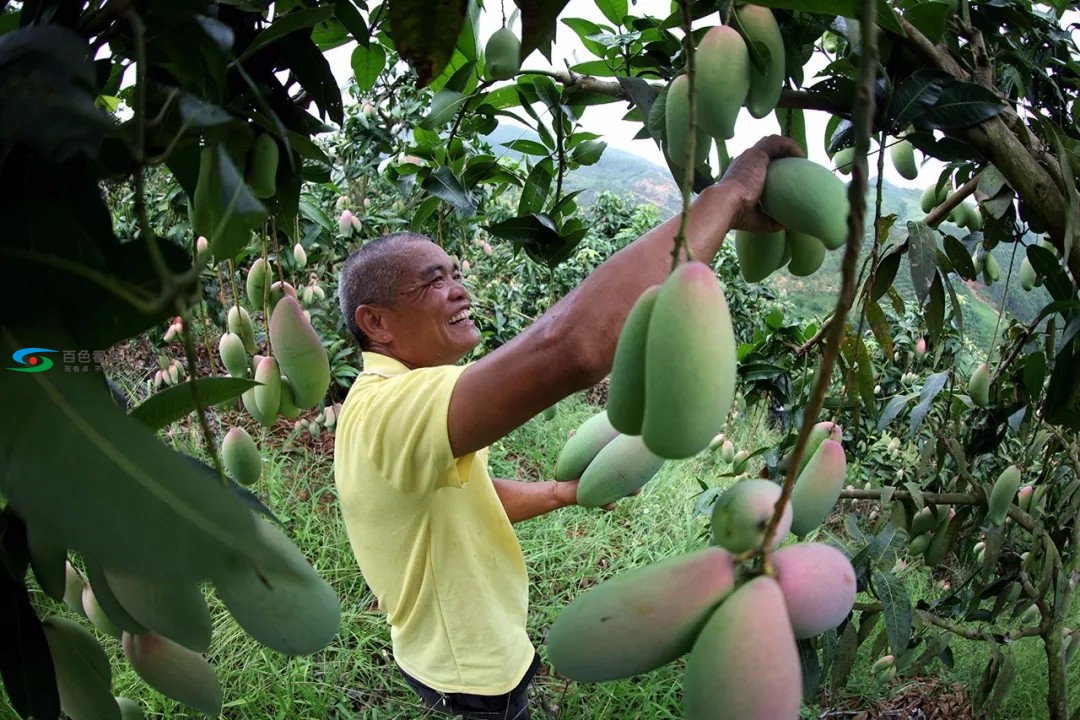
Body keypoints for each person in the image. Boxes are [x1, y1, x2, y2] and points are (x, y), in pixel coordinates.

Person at [333, 134, 803, 719]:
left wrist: (563, 493)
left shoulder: (401, 406)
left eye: (455, 273)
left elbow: (467, 498)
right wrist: (727, 196)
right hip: (471, 674)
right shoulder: (390, 410)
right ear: (376, 321)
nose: (460, 289)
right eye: (433, 281)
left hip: (476, 650)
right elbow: (571, 346)